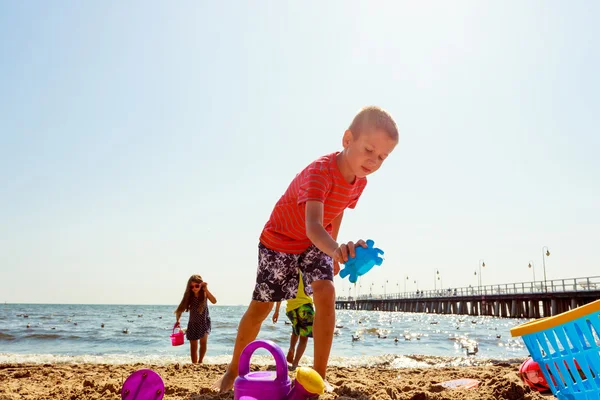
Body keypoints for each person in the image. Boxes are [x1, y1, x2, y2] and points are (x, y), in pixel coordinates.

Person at [214, 106, 398, 392]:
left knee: (326, 294)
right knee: (260, 309)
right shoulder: (319, 172)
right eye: (369, 150)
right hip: (281, 240)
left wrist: (333, 252)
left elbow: (336, 211)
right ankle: (233, 369)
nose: (373, 161)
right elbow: (313, 225)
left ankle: (319, 378)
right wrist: (334, 247)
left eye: (382, 157)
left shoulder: (359, 181)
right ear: (347, 139)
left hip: (316, 243)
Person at [272, 271, 314, 370]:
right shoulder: (306, 270)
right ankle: (295, 363)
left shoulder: (287, 273)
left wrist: (277, 311)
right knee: (304, 338)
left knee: (295, 330)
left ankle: (291, 348)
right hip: (305, 306)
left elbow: (279, 294)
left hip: (290, 308)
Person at [174, 274, 217, 363]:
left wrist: (206, 289)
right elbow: (179, 310)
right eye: (192, 286)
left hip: (204, 321)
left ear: (200, 285)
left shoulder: (204, 294)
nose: (194, 288)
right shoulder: (189, 296)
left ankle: (200, 361)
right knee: (193, 346)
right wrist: (178, 321)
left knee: (203, 342)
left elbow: (214, 301)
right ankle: (194, 363)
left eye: (197, 286)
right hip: (193, 323)